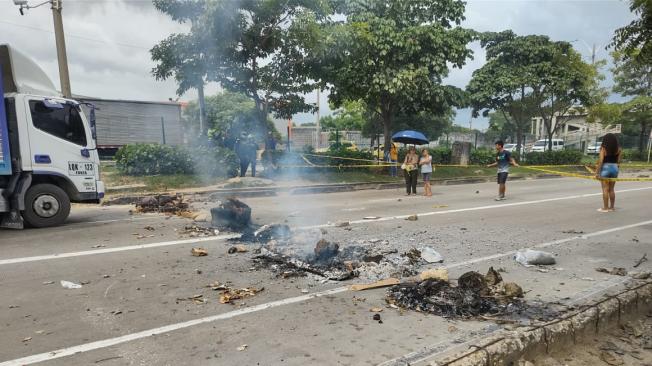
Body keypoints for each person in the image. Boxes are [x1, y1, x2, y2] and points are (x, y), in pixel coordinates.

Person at [595, 133, 621, 212]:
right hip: (614, 168)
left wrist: (597, 172)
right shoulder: (619, 149)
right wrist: (616, 169)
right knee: (612, 189)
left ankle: (605, 208)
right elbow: (619, 162)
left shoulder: (603, 148)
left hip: (605, 168)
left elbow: (601, 161)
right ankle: (612, 207)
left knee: (605, 189)